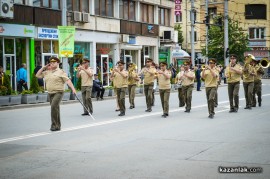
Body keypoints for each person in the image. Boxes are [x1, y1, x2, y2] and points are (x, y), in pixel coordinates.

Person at [36, 57, 76, 131]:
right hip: (50, 93)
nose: (52, 63)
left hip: (59, 92)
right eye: (51, 62)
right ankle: (58, 125)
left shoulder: (61, 72)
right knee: (56, 109)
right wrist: (43, 68)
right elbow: (37, 75)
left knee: (53, 107)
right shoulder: (47, 72)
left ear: (58, 63)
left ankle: (54, 125)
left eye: (54, 62)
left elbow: (68, 81)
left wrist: (73, 89)